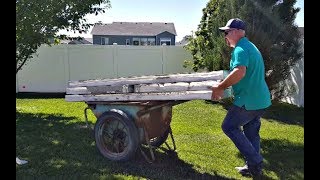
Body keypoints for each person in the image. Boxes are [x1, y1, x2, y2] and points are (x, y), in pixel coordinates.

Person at [211, 18, 271, 177]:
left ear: (237, 32)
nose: (225, 36)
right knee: (251, 132)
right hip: (261, 100)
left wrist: (220, 87)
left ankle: (256, 160)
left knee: (229, 126)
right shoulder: (250, 46)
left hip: (248, 101)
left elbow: (240, 72)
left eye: (227, 32)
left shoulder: (240, 49)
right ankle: (253, 168)